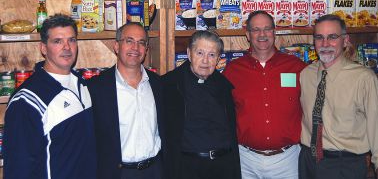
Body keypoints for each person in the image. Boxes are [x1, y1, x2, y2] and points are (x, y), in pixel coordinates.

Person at [299, 14, 378, 179]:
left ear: (345, 40)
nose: (325, 44)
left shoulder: (364, 78)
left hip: (344, 165)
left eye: (332, 37)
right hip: (307, 161)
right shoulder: (305, 75)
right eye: (319, 37)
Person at [3, 14, 96, 179]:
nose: (67, 47)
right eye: (58, 41)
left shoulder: (83, 85)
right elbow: (19, 168)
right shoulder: (26, 101)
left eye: (72, 40)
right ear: (43, 48)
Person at [223, 10, 307, 179]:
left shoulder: (296, 67)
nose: (262, 35)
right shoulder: (233, 71)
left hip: (288, 159)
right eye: (256, 30)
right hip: (246, 159)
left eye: (267, 29)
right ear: (248, 35)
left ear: (274, 32)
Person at [88, 22, 164, 179]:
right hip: (118, 173)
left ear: (146, 49)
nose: (135, 48)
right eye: (129, 41)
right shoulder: (96, 88)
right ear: (116, 46)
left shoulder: (159, 84)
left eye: (141, 42)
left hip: (155, 171)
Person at [161, 30, 241, 179]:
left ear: (218, 59)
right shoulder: (168, 85)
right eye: (200, 53)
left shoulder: (225, 86)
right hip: (186, 168)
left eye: (212, 55)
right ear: (189, 53)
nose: (205, 61)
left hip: (223, 167)